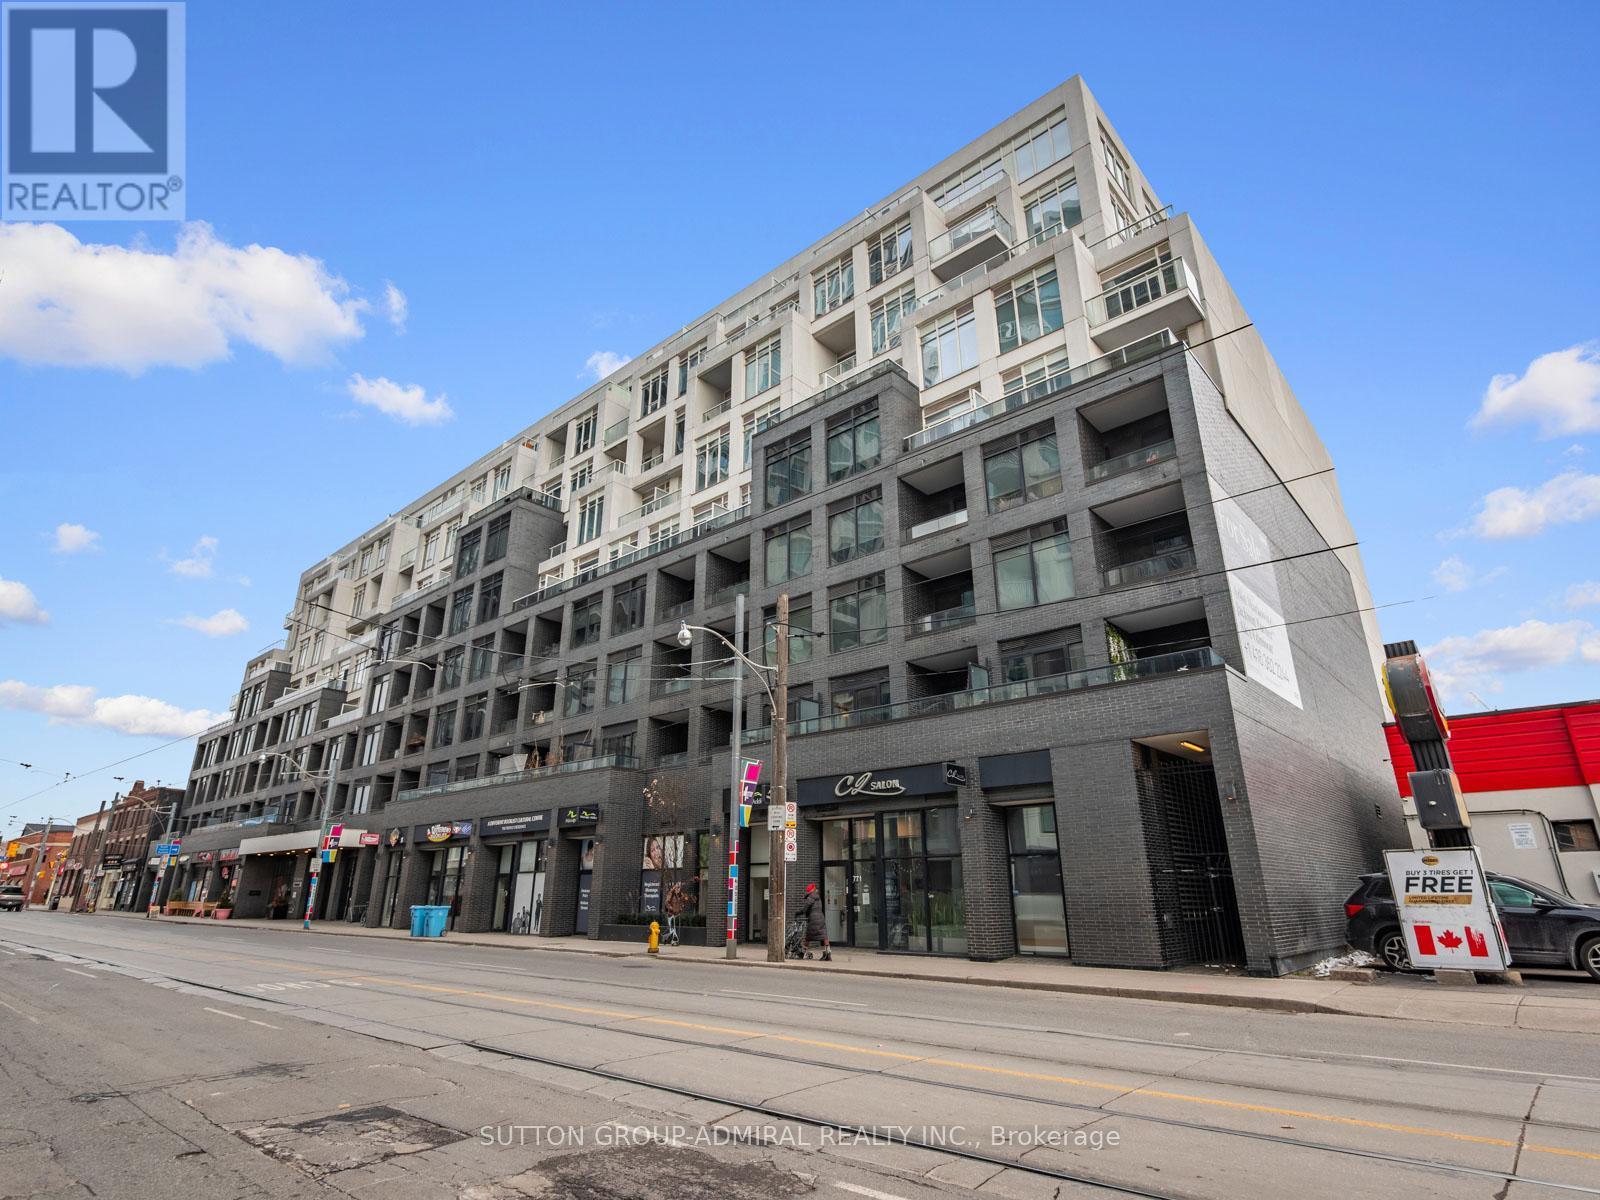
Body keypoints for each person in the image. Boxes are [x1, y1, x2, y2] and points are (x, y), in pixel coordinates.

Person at [800, 881, 831, 961]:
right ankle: (828, 953)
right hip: (821, 917)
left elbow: (806, 908)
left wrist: (800, 912)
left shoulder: (811, 897)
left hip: (813, 918)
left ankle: (803, 952)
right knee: (824, 935)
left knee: (808, 936)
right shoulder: (818, 897)